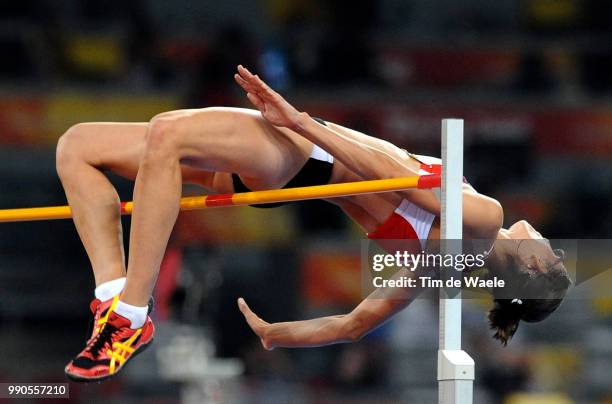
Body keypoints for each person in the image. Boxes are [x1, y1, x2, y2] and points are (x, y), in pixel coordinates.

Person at [56, 66, 570, 382]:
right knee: (78, 147)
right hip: (291, 168)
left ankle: (131, 315)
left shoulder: (487, 218)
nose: (545, 239)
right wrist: (276, 335)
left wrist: (301, 122)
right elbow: (353, 325)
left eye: (548, 250)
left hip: (298, 151)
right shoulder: (445, 267)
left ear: (529, 267)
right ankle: (113, 294)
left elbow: (393, 177)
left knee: (166, 135)